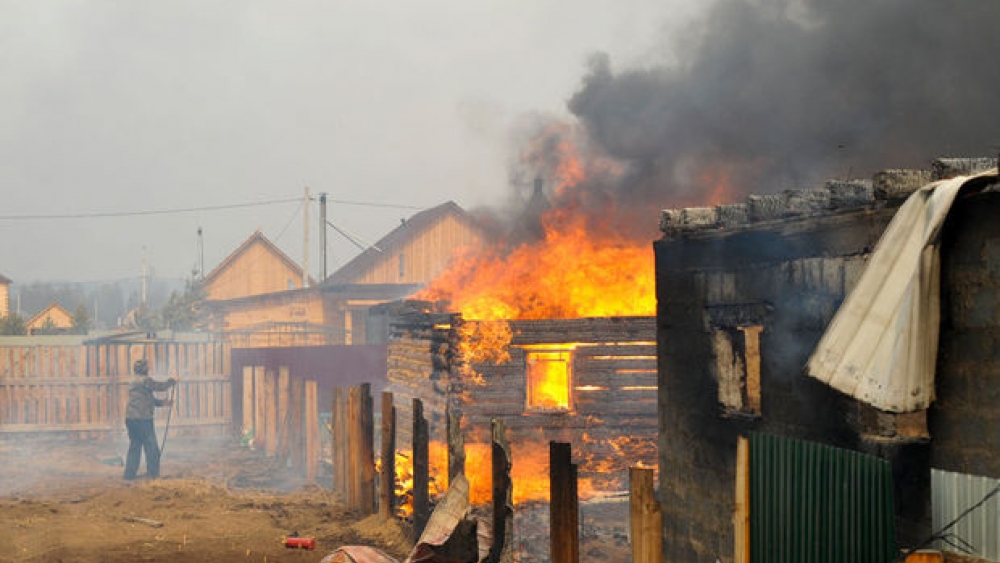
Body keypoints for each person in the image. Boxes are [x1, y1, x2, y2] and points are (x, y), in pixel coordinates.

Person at [123, 358, 178, 480]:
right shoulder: (145, 380)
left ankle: (129, 475)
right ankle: (153, 475)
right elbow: (160, 386)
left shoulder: (133, 381)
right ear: (145, 369)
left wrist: (163, 403)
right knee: (151, 447)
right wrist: (172, 380)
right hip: (142, 419)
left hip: (131, 419)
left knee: (135, 446)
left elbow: (147, 399)